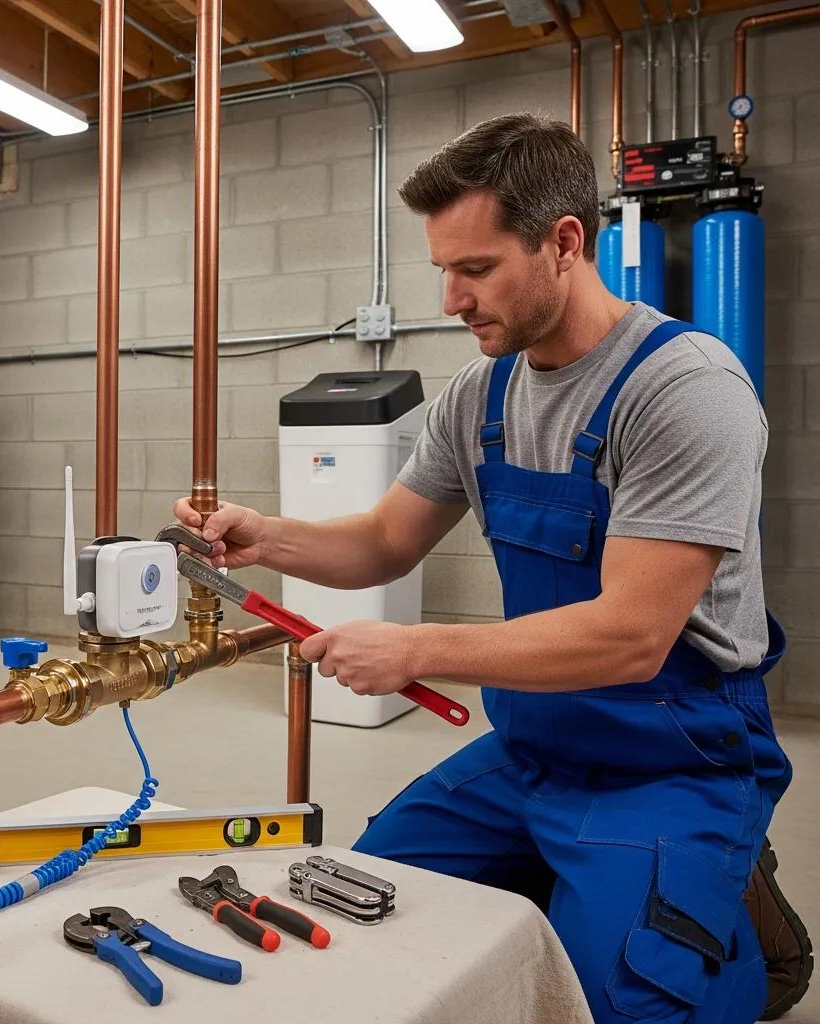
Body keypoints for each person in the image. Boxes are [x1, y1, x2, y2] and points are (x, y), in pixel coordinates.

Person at [174, 114, 811, 1023]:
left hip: (674, 760)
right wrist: (261, 537)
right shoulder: (481, 394)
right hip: (535, 748)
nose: (450, 298)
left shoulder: (686, 390)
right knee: (359, 902)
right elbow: (385, 542)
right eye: (443, 269)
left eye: (475, 270)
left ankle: (728, 907)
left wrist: (415, 649)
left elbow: (632, 635)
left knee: (625, 1000)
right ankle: (593, 889)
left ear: (563, 244)